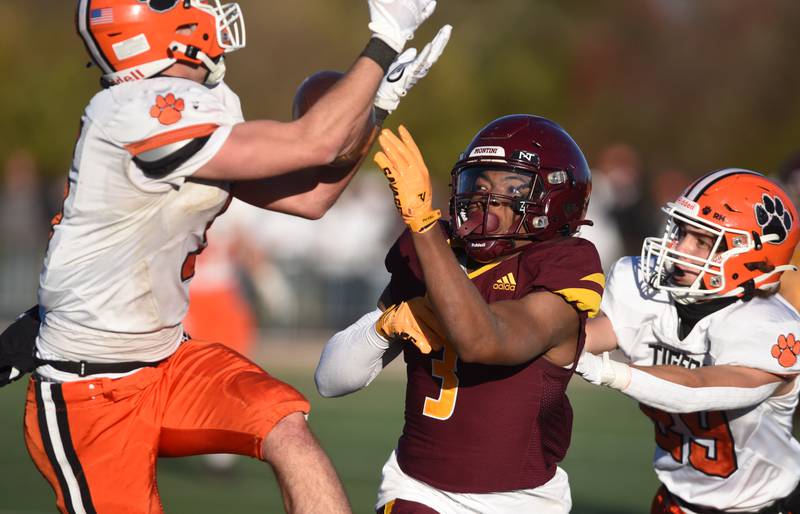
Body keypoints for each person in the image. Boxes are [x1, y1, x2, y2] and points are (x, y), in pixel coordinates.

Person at [0, 1, 451, 513]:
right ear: (154, 27)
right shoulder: (134, 108)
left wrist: (378, 101)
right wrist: (384, 37)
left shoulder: (195, 101)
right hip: (90, 391)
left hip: (168, 359)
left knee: (285, 427)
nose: (211, 11)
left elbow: (312, 199)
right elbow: (315, 141)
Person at [315, 115, 604, 513]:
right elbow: (331, 380)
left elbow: (484, 341)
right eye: (479, 185)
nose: (486, 200)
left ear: (553, 201)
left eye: (512, 188)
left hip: (521, 501)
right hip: (418, 490)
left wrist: (421, 226)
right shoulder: (434, 246)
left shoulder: (564, 261)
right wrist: (383, 327)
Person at [577, 168, 800, 513]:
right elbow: (585, 337)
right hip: (677, 502)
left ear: (748, 253)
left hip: (768, 505)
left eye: (702, 240)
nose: (679, 247)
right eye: (680, 232)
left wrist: (608, 372)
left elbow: (697, 387)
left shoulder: (769, 327)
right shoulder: (652, 295)